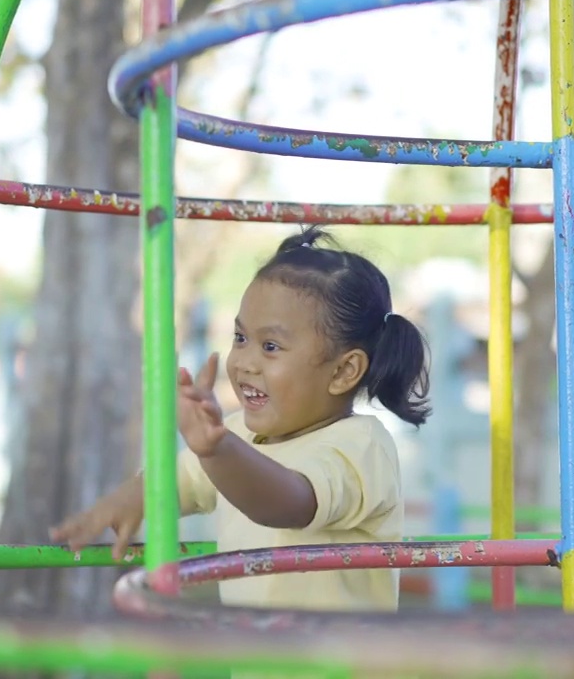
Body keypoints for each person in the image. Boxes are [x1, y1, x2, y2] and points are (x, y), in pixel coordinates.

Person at [50, 225, 431, 612]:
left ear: (343, 371)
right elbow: (174, 483)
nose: (245, 362)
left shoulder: (361, 445)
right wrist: (121, 503)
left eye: (270, 346)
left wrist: (217, 449)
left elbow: (288, 504)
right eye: (239, 338)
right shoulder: (236, 435)